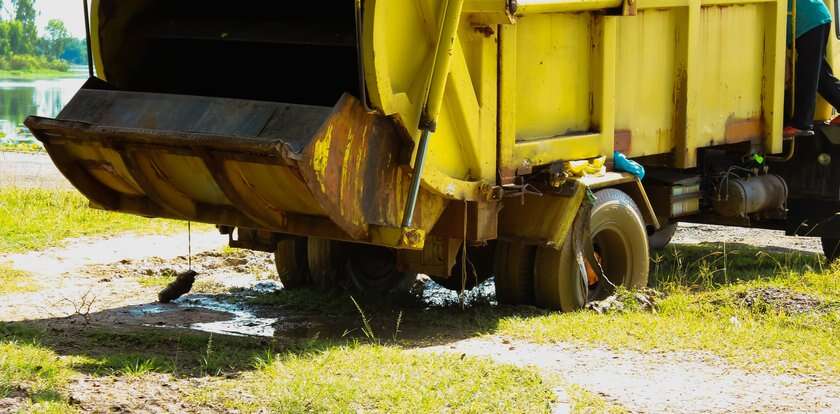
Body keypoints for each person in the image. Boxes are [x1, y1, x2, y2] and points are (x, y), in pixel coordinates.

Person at [786, 0, 840, 137]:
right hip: (813, 19)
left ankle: (802, 124)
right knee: (820, 76)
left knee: (807, 74)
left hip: (810, 22)